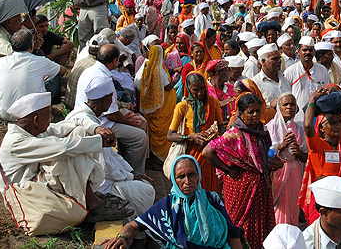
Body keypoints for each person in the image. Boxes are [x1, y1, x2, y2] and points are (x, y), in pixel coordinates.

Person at [0, 93, 131, 227]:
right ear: (36, 120)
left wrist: (96, 129)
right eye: (49, 115)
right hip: (29, 196)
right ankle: (92, 203)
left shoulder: (33, 130)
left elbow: (76, 122)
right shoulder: (15, 143)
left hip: (39, 183)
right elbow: (63, 148)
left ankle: (89, 197)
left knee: (79, 132)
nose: (52, 118)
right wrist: (98, 141)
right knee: (67, 154)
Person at [102, 155, 244, 249]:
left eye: (191, 174)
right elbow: (134, 225)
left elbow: (232, 233)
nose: (187, 181)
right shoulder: (167, 206)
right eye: (181, 176)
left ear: (198, 175)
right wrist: (121, 237)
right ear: (174, 180)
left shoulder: (212, 199)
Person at [65, 76, 156, 222]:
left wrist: (132, 172)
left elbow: (112, 156)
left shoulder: (91, 118)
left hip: (105, 179)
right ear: (105, 100)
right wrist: (131, 176)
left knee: (141, 183)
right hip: (98, 186)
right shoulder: (88, 123)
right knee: (146, 191)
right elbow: (104, 168)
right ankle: (137, 234)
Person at [204, 93, 281, 249]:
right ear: (241, 114)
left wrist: (276, 164)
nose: (255, 115)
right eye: (250, 112)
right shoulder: (235, 134)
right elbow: (207, 152)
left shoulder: (262, 133)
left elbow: (263, 161)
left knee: (260, 227)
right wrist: (227, 169)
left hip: (260, 190)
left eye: (258, 111)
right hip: (240, 189)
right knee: (241, 227)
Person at [77, 44, 148, 174]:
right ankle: (134, 173)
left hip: (94, 116)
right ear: (115, 61)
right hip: (100, 122)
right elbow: (111, 114)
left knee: (138, 120)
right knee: (140, 136)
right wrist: (129, 122)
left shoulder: (91, 70)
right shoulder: (104, 79)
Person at [300, 88, 341, 223]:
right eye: (333, 123)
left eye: (339, 121)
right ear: (322, 128)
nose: (338, 126)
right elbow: (308, 127)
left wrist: (337, 94)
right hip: (324, 198)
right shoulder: (317, 145)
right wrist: (311, 101)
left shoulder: (340, 140)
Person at [168, 73, 225, 192]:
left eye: (202, 88)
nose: (199, 93)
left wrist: (215, 137)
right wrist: (191, 137)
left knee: (209, 191)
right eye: (195, 90)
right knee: (191, 187)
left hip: (209, 155)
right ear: (188, 89)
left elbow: (221, 126)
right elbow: (170, 135)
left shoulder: (213, 103)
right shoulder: (182, 107)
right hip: (190, 156)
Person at [0, 29, 66, 121]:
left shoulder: (1, 62)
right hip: (31, 114)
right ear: (32, 45)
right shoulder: (40, 61)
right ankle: (49, 112)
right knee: (56, 77)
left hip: (4, 113)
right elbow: (62, 71)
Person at [268, 93, 308, 225]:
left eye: (292, 104)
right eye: (285, 104)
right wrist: (281, 146)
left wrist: (298, 152)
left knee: (291, 206)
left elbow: (305, 157)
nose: (289, 107)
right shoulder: (270, 127)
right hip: (277, 172)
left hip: (294, 172)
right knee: (278, 207)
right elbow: (266, 154)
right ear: (279, 107)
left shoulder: (299, 129)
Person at [134, 44, 178, 164]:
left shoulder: (146, 66)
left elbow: (137, 84)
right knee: (162, 133)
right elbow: (168, 87)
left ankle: (153, 156)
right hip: (162, 109)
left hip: (150, 108)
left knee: (152, 132)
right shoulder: (158, 69)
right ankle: (159, 157)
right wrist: (174, 80)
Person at [286, 37, 332, 122]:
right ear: (298, 52)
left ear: (314, 52)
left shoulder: (322, 70)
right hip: (297, 119)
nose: (308, 52)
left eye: (310, 50)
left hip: (318, 118)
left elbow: (327, 91)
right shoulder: (290, 72)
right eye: (304, 50)